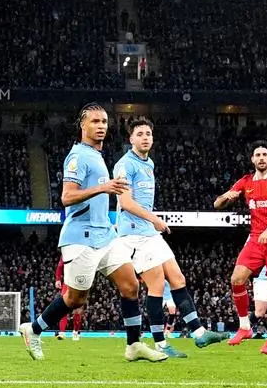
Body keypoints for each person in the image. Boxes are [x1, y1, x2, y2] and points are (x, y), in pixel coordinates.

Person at [17, 103, 166, 363]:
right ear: (82, 125)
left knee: (131, 286)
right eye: (95, 121)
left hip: (105, 235)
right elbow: (66, 197)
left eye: (104, 122)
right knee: (75, 299)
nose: (101, 126)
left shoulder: (97, 156)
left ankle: (134, 345)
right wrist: (104, 188)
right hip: (81, 236)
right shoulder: (77, 157)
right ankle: (34, 328)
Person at [113, 117, 228, 358]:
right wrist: (155, 219)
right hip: (133, 235)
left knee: (177, 278)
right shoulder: (125, 165)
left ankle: (199, 333)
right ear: (131, 138)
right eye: (140, 134)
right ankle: (161, 344)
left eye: (148, 134)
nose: (145, 137)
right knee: (156, 285)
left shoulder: (149, 163)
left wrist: (152, 223)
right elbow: (125, 202)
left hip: (149, 232)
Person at [214, 141, 267, 348]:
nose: (261, 158)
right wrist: (227, 197)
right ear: (252, 159)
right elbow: (217, 204)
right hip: (256, 239)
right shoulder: (246, 181)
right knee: (236, 279)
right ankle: (245, 328)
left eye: (264, 155)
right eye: (257, 155)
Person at [53, 257, 85, 340]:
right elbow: (60, 266)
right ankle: (62, 333)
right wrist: (58, 279)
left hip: (79, 283)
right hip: (67, 284)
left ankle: (75, 332)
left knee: (77, 310)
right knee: (63, 308)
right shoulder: (66, 251)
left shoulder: (83, 252)